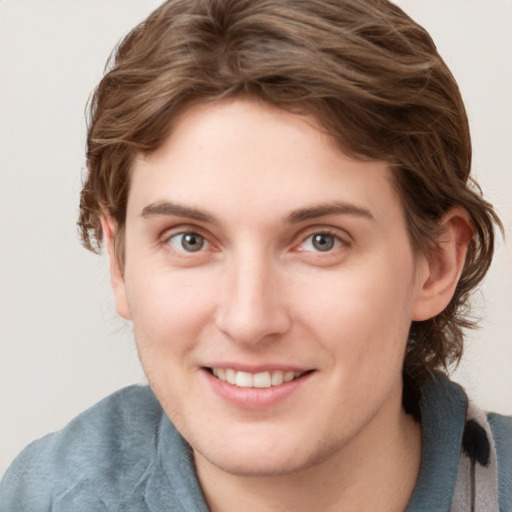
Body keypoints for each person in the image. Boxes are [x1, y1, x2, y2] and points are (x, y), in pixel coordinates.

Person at [1, 0, 510, 510]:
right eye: (190, 240)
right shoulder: (44, 497)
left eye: (321, 241)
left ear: (436, 264)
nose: (248, 321)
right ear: (119, 261)